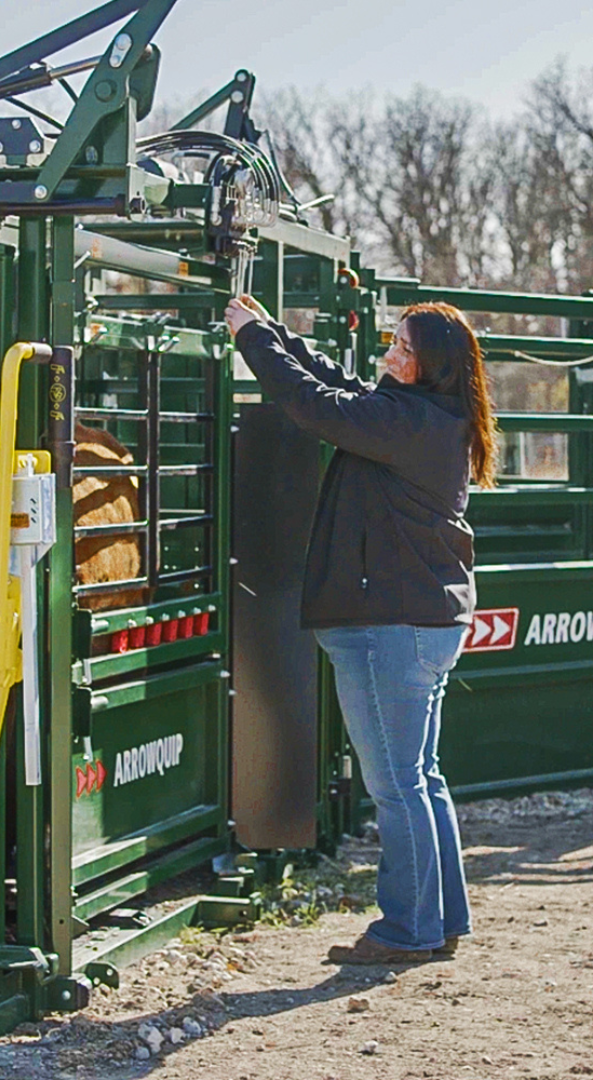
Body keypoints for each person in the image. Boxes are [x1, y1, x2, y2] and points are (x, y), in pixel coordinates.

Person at [225, 294, 498, 965]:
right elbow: (341, 386)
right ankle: (440, 920)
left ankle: (407, 930)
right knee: (420, 778)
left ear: (428, 364)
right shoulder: (429, 415)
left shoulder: (406, 424)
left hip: (390, 628)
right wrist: (278, 332)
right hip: (416, 623)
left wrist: (254, 340)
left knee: (398, 785)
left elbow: (316, 406)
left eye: (404, 349)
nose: (390, 355)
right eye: (394, 342)